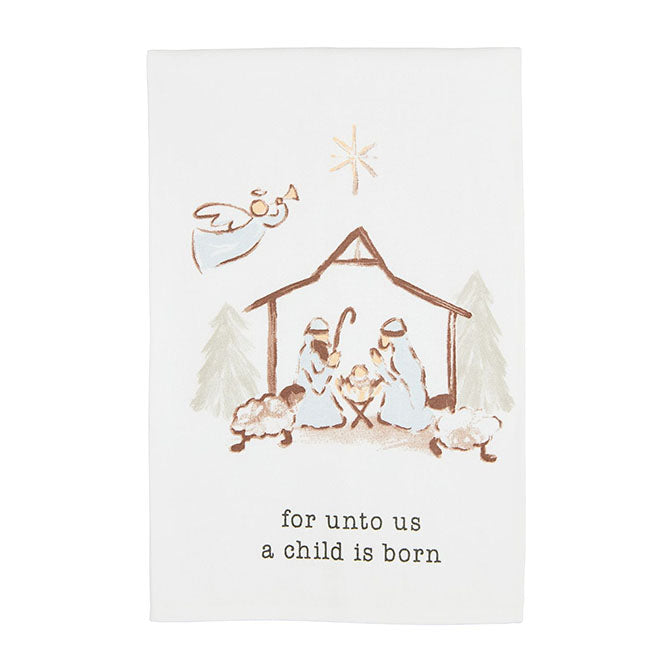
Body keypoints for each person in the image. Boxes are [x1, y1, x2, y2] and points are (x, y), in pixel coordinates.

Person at [370, 318, 433, 432]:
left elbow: (401, 383)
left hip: (411, 398)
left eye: (384, 335)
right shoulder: (402, 350)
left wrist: (380, 367)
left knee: (389, 387)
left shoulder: (401, 356)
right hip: (414, 394)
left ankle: (404, 418)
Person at [294, 318, 346, 429]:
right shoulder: (310, 354)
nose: (328, 336)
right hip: (312, 398)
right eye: (324, 333)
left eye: (327, 333)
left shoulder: (317, 350)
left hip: (318, 396)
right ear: (315, 335)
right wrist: (331, 365)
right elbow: (318, 386)